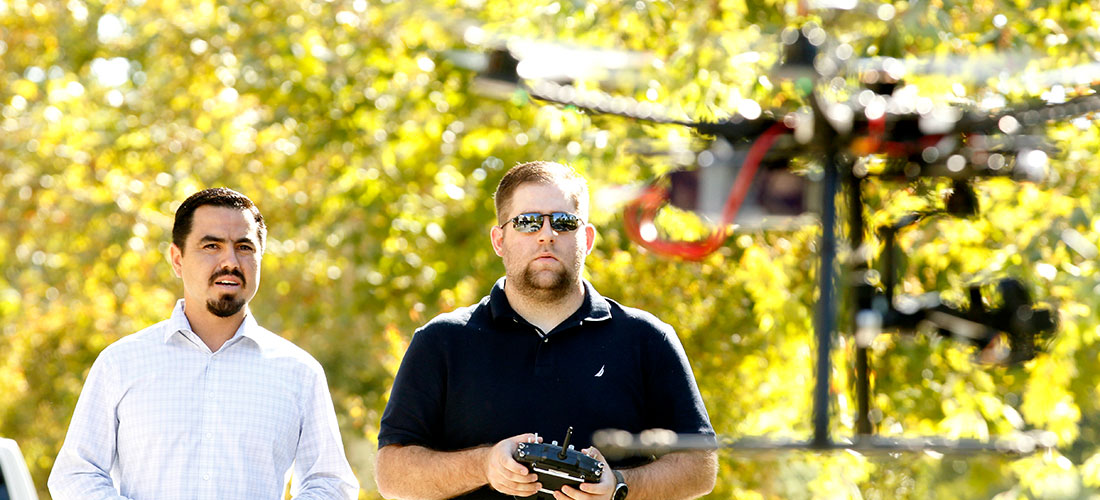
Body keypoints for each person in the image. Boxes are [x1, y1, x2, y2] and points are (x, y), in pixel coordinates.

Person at [375, 162, 717, 500]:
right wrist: (484, 466)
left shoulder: (646, 339)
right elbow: (391, 474)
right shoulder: (441, 341)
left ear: (587, 238)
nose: (546, 234)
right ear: (499, 240)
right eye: (527, 222)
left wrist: (618, 484)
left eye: (564, 222)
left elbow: (700, 465)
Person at [48, 188, 359, 500]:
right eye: (212, 246)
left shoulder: (300, 373)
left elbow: (331, 485)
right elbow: (76, 475)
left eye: (244, 247)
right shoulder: (121, 363)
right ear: (177, 259)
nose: (230, 261)